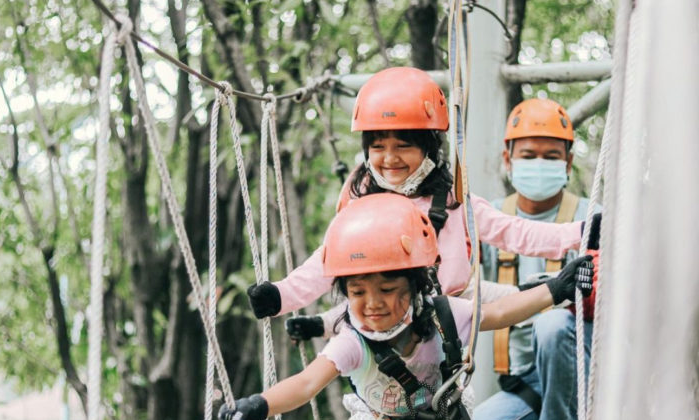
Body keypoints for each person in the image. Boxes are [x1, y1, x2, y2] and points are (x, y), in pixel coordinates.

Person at [218, 194, 593, 420]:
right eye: (358, 292)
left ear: (415, 286)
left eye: (387, 288)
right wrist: (257, 405)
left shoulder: (444, 314)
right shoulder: (352, 338)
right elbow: (306, 383)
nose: (372, 304)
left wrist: (556, 289)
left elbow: (496, 313)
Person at [246, 67, 601, 332]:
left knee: (513, 299)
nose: (390, 158)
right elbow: (326, 262)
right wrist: (280, 296)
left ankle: (543, 289)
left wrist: (581, 232)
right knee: (360, 311)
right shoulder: (362, 205)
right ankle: (324, 324)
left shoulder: (453, 201)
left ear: (428, 149)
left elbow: (516, 233)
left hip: (456, 299)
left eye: (403, 146)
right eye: (379, 148)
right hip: (392, 306)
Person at [466, 98, 601, 420]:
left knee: (553, 321)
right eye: (528, 155)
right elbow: (465, 288)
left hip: (583, 363)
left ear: (568, 162)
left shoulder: (593, 218)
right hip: (529, 381)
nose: (538, 164)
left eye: (550, 156)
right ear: (508, 159)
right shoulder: (491, 218)